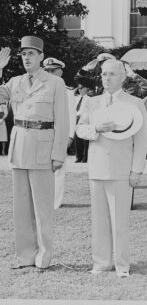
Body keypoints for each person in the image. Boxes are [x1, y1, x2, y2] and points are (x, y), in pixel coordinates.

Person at [0, 37, 69, 272]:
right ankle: (25, 256)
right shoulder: (15, 82)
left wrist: (59, 153)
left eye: (31, 53)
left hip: (42, 148)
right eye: (23, 54)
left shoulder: (54, 83)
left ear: (41, 56)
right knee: (21, 208)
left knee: (42, 208)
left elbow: (62, 119)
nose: (26, 58)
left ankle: (44, 256)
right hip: (19, 149)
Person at [76, 59, 147, 277]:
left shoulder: (135, 103)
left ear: (123, 77)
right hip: (97, 168)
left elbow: (142, 140)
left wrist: (136, 170)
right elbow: (80, 130)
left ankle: (122, 265)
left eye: (112, 74)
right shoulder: (92, 101)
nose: (107, 78)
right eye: (104, 74)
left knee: (120, 220)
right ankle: (101, 263)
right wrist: (95, 128)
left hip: (121, 169)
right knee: (99, 220)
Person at [43, 57, 76, 209]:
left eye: (53, 70)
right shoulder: (40, 88)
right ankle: (43, 199)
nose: (50, 73)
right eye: (47, 70)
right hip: (42, 134)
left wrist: (69, 135)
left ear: (60, 72)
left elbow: (71, 115)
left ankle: (56, 201)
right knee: (41, 168)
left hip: (59, 134)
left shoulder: (67, 92)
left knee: (58, 168)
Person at [74, 79, 92, 163]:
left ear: (86, 88)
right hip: (76, 120)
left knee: (85, 140)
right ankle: (78, 157)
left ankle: (86, 157)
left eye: (81, 88)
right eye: (78, 88)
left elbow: (88, 111)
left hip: (85, 120)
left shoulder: (89, 99)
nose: (79, 90)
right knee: (77, 139)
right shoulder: (76, 98)